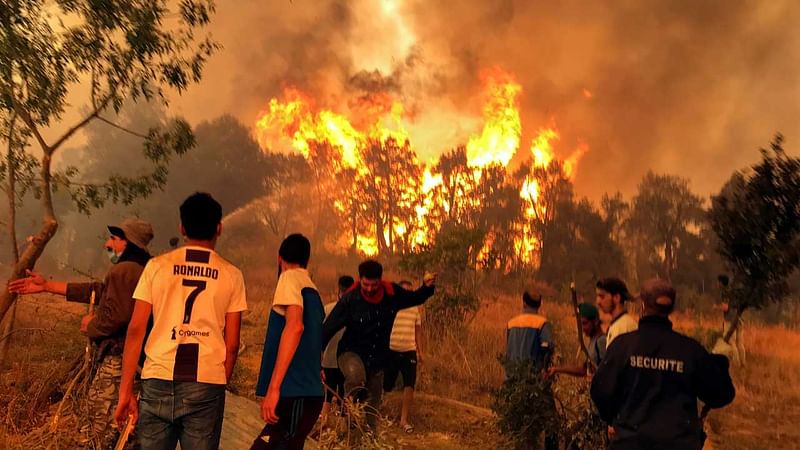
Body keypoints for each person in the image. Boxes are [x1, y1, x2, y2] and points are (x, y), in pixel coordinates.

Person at [114, 192, 247, 450]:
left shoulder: (156, 267)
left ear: (182, 227)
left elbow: (136, 329)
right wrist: (219, 382)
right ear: (218, 228)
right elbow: (232, 344)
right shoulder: (232, 275)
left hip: (157, 378)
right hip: (206, 383)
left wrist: (125, 390)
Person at [8, 218, 153, 449]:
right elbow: (100, 291)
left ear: (129, 243)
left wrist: (91, 325)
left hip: (117, 361)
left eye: (114, 239)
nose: (108, 244)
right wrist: (47, 286)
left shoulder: (124, 270)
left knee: (100, 423)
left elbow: (117, 317)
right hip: (136, 363)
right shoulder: (144, 268)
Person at [591, 279, 736, 450]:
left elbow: (600, 392)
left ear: (643, 305)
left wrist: (615, 420)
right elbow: (721, 394)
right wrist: (720, 360)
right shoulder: (690, 351)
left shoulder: (622, 346)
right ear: (671, 309)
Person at [322, 260, 436, 430]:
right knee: (356, 377)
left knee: (373, 401)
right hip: (350, 353)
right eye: (365, 284)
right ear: (360, 279)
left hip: (377, 358)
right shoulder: (350, 299)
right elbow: (327, 328)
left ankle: (369, 433)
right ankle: (348, 415)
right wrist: (317, 357)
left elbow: (414, 298)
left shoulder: (392, 294)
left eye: (373, 285)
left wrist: (426, 288)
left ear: (380, 281)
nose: (369, 289)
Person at [252, 234, 325, 450]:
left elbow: (295, 327)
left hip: (294, 392)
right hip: (307, 394)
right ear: (307, 261)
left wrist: (274, 389)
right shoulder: (311, 288)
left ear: (279, 258)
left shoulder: (289, 278)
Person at [504, 289, 556, 450]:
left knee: (517, 424)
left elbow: (507, 349)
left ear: (523, 302)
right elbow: (547, 347)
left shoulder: (511, 323)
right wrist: (545, 369)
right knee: (551, 421)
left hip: (512, 380)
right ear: (540, 304)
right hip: (535, 381)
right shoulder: (542, 323)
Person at [383, 280, 424, 434]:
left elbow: (418, 331)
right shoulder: (391, 307)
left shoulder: (415, 309)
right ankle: (380, 414)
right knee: (386, 385)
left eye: (409, 291)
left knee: (410, 384)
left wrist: (420, 352)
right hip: (391, 349)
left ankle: (403, 420)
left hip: (409, 350)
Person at [320, 276, 354, 420]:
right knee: (342, 395)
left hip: (330, 359)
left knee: (329, 395)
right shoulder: (355, 311)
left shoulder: (328, 308)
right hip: (343, 360)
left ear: (339, 290)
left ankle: (326, 422)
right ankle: (338, 427)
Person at [548, 303, 606, 378]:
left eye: (585, 323)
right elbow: (583, 370)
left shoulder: (601, 341)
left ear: (595, 321)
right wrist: (557, 369)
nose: (583, 328)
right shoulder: (593, 341)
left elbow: (608, 371)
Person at [596, 277, 637, 349]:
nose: (598, 302)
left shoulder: (625, 327)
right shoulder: (617, 325)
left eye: (602, 297)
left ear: (617, 297)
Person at [713, 274, 745, 365]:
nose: (717, 284)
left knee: (731, 342)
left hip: (730, 320)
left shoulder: (725, 292)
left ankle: (736, 363)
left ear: (721, 283)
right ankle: (743, 364)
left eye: (718, 282)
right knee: (740, 343)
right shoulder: (733, 292)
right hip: (738, 318)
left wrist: (716, 307)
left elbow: (725, 308)